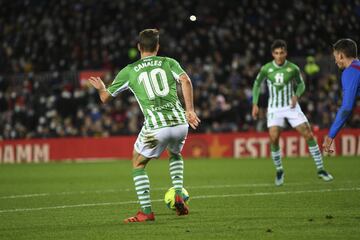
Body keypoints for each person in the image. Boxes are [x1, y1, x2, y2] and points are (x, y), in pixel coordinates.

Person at [88, 29, 200, 222]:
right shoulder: (169, 62)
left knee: (138, 163)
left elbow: (105, 98)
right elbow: (185, 80)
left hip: (157, 126)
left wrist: (101, 88)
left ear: (139, 47)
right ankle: (178, 192)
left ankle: (146, 212)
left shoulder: (130, 70)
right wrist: (190, 110)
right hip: (181, 122)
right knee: (175, 154)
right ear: (158, 47)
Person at [252, 39, 333, 186]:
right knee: (274, 138)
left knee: (308, 134)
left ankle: (321, 169)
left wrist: (296, 95)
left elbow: (301, 84)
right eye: (276, 53)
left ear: (286, 53)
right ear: (272, 54)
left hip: (291, 106)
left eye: (282, 52)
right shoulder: (266, 69)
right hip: (274, 108)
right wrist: (255, 104)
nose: (279, 55)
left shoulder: (293, 68)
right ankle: (279, 171)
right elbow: (257, 85)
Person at [323, 39, 360, 153]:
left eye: (335, 56)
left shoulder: (350, 72)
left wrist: (330, 136)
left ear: (340, 55)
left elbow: (347, 107)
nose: (335, 61)